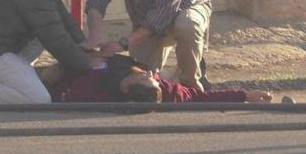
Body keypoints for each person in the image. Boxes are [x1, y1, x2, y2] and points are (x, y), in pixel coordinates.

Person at [48, 54, 272, 104]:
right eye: (151, 78)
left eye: (143, 78)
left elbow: (65, 93)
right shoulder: (164, 92)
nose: (147, 74)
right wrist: (244, 95)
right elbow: (200, 98)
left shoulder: (92, 90)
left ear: (126, 88)